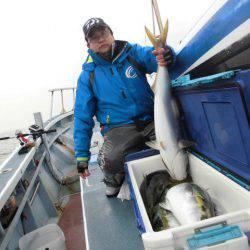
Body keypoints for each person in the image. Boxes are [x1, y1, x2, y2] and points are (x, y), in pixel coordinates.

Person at [74, 18, 175, 197]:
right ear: (88, 44)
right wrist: (82, 157)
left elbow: (154, 59)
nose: (101, 39)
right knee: (110, 160)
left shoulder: (132, 53)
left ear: (112, 34)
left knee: (176, 138)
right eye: (94, 37)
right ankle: (113, 178)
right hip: (118, 128)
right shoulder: (88, 75)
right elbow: (82, 117)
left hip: (151, 118)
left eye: (103, 33)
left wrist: (167, 54)